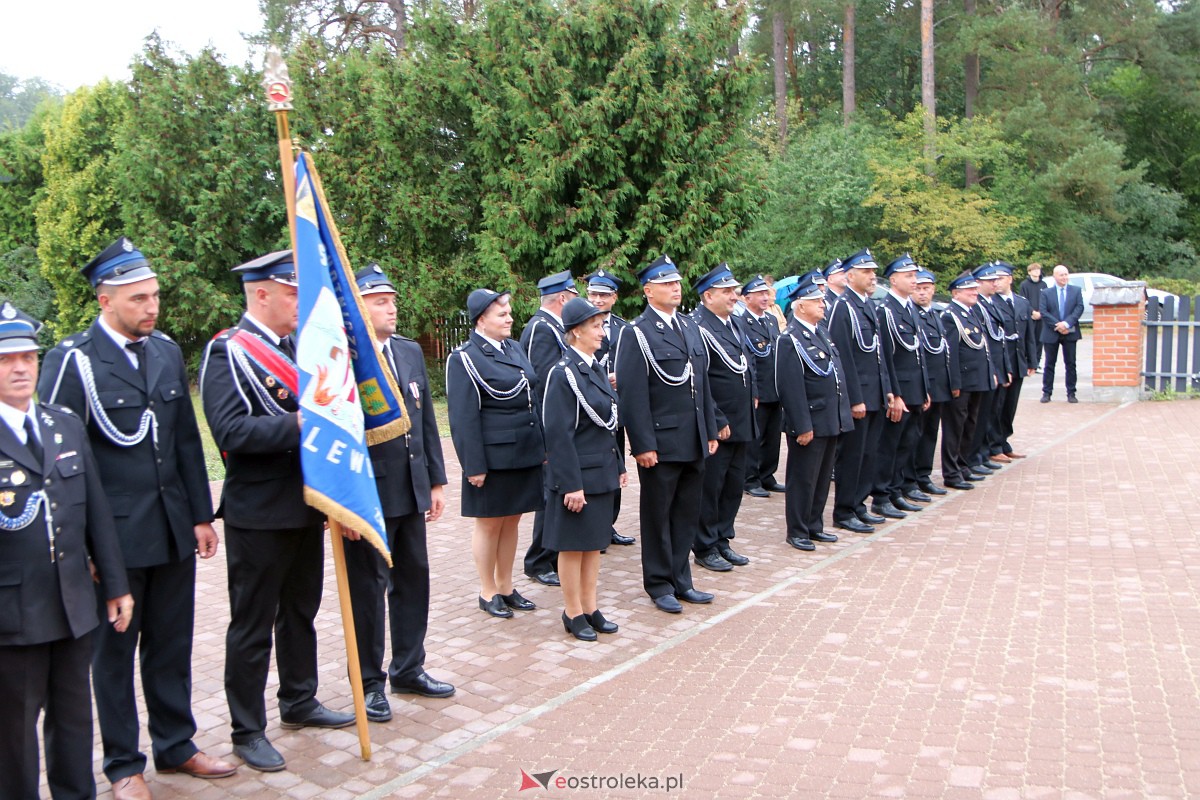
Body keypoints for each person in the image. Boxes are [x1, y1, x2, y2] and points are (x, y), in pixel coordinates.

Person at [38, 239, 235, 798]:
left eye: (154, 296)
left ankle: (176, 745)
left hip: (171, 529)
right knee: (113, 656)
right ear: (105, 300)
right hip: (113, 541)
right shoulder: (72, 361)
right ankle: (124, 764)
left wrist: (200, 515)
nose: (152, 307)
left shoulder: (165, 351)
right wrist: (82, 548)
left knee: (171, 645)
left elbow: (184, 442)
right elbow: (57, 462)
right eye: (138, 299)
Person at [200, 251, 354, 774]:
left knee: (300, 613)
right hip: (259, 513)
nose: (300, 303)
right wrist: (301, 423)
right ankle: (247, 729)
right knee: (252, 624)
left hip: (304, 506)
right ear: (261, 294)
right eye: (292, 293)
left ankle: (299, 699)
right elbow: (230, 431)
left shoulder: (300, 350)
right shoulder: (229, 351)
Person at [0, 301, 134, 800]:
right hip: (11, 616)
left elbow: (95, 509)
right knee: (14, 735)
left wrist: (116, 585)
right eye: (6, 360)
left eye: (27, 357)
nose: (20, 368)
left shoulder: (63, 424)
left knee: (75, 720)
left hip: (73, 603)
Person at [342, 265, 454, 726]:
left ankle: (409, 667)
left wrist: (435, 481)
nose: (391, 308)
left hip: (409, 488)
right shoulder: (346, 357)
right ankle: (369, 682)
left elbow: (425, 422)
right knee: (368, 590)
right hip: (367, 494)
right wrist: (345, 502)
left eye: (392, 300)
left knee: (414, 578)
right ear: (358, 307)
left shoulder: (407, 351)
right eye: (380, 302)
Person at [614, 255, 718, 614]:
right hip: (661, 442)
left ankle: (682, 579)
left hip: (693, 438)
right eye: (667, 283)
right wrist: (642, 444)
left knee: (687, 513)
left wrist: (709, 429)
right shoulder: (637, 332)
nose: (676, 288)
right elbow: (632, 394)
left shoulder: (688, 326)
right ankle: (659, 583)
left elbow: (701, 383)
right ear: (648, 290)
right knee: (658, 516)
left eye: (677, 282)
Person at [446, 289, 545, 619]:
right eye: (502, 314)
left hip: (524, 451)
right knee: (489, 524)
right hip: (493, 457)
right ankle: (487, 590)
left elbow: (531, 398)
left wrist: (542, 446)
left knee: (512, 519)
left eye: (509, 313)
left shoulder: (513, 348)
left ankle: (505, 585)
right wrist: (473, 465)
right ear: (481, 320)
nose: (509, 319)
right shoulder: (465, 358)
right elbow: (463, 418)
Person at [542, 297, 627, 641]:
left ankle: (591, 607)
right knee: (572, 546)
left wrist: (618, 465)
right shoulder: (563, 373)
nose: (602, 332)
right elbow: (558, 435)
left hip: (600, 470)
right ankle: (572, 611)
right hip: (577, 476)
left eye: (602, 325)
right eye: (595, 326)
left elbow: (608, 424)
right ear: (576, 331)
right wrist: (571, 485)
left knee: (593, 544)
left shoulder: (594, 368)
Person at [775, 273, 852, 551]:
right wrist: (802, 424)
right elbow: (790, 387)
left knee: (821, 477)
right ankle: (797, 530)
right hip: (810, 419)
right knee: (803, 478)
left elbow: (836, 375)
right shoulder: (791, 339)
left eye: (822, 300)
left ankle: (814, 525)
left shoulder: (821, 333)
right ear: (800, 306)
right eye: (816, 301)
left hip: (829, 417)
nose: (823, 304)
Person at [690, 264, 756, 572]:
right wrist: (716, 418)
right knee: (711, 487)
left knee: (733, 485)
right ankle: (705, 545)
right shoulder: (698, 326)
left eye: (734, 290)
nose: (734, 296)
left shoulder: (734, 323)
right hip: (720, 422)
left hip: (741, 418)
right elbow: (700, 379)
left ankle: (722, 538)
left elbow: (745, 363)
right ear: (708, 296)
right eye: (727, 291)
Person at [826, 249, 893, 533]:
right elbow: (842, 356)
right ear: (850, 276)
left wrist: (887, 389)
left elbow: (878, 354)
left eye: (873, 271)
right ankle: (844, 510)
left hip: (874, 394)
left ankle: (859, 505)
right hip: (859, 397)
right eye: (866, 272)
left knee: (868, 454)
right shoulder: (844, 307)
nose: (872, 276)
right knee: (852, 456)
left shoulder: (866, 305)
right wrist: (853, 399)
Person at [520, 271, 578, 587]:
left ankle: (554, 554)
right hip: (548, 427)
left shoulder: (554, 327)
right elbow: (541, 384)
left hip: (562, 425)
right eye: (575, 296)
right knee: (550, 494)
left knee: (557, 490)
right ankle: (539, 560)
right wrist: (548, 433)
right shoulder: (541, 328)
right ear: (563, 298)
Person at [870, 255, 930, 515]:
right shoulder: (886, 311)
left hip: (915, 388)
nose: (914, 280)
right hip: (900, 390)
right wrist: (894, 394)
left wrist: (924, 388)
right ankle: (882, 496)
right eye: (908, 276)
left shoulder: (909, 308)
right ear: (893, 280)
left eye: (914, 275)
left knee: (907, 443)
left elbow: (918, 354)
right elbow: (886, 357)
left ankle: (897, 490)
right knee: (889, 446)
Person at [585, 269, 634, 547]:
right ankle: (594, 528)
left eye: (603, 295)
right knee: (595, 468)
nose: (597, 300)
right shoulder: (579, 327)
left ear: (614, 298)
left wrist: (621, 376)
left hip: (617, 408)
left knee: (617, 466)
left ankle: (609, 525)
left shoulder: (624, 328)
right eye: (593, 294)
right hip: (592, 407)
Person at [940, 272, 1000, 491]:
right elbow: (952, 353)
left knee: (970, 424)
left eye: (975, 289)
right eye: (970, 290)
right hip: (963, 381)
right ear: (956, 293)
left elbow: (983, 347)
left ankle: (963, 465)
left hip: (976, 379)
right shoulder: (950, 316)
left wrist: (990, 372)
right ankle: (952, 472)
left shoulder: (970, 312)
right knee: (955, 427)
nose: (975, 292)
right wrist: (955, 383)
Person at [987, 262, 1037, 461]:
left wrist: (1032, 360)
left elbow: (1029, 334)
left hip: (1017, 361)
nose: (996, 282)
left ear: (1010, 279)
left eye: (1000, 278)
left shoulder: (1022, 302)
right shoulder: (991, 303)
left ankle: (1004, 441)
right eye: (993, 279)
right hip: (1001, 362)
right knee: (996, 405)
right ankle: (994, 445)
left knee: (1010, 406)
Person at [741, 275, 785, 499]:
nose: (765, 298)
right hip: (758, 389)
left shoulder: (770, 320)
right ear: (747, 298)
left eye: (766, 293)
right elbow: (749, 361)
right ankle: (750, 478)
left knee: (773, 436)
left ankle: (767, 474)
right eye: (760, 294)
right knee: (755, 438)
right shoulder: (742, 322)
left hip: (775, 388)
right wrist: (753, 390)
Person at [909, 270, 952, 497]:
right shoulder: (912, 314)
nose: (922, 292)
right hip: (921, 385)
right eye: (918, 288)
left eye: (926, 288)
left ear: (934, 289)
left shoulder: (935, 314)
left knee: (930, 433)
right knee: (915, 435)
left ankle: (923, 475)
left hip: (938, 385)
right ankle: (911, 479)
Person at [967, 263, 1012, 476]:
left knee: (989, 413)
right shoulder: (977, 306)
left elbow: (1000, 340)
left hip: (996, 366)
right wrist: (993, 369)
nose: (995, 283)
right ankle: (975, 456)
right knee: (979, 416)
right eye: (990, 280)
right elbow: (984, 343)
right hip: (987, 368)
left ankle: (983, 454)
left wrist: (1005, 367)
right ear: (978, 283)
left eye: (996, 280)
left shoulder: (991, 303)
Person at [1040, 264, 1085, 403]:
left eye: (1066, 274)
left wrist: (1066, 323)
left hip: (1069, 331)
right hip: (1051, 331)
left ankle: (1071, 393)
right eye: (1061, 275)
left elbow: (1079, 308)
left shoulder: (1076, 291)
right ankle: (1047, 392)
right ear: (1055, 276)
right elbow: (1044, 312)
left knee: (1070, 364)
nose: (1064, 277)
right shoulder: (1046, 293)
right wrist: (1058, 325)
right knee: (1049, 364)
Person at [1018, 263, 1045, 370]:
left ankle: (1037, 363)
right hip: (1030, 317)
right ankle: (1029, 362)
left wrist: (1041, 312)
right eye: (1034, 270)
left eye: (1038, 269)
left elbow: (1046, 300)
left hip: (1041, 317)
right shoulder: (1024, 285)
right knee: (1029, 339)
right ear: (1029, 272)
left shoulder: (1043, 284)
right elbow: (1023, 300)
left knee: (1040, 340)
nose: (1037, 271)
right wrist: (1032, 312)